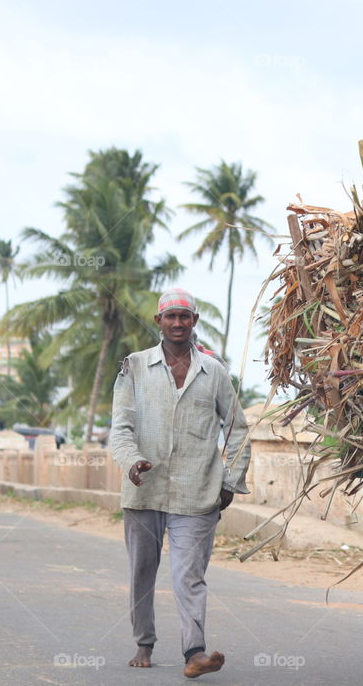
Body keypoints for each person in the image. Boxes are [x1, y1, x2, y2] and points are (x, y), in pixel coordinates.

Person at [110, 287, 250, 678]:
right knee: (143, 570)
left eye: (184, 316)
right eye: (170, 317)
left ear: (194, 322)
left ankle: (194, 653)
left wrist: (230, 480)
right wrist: (132, 460)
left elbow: (238, 429)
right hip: (144, 489)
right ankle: (144, 642)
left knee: (188, 574)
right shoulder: (135, 366)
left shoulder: (214, 371)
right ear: (158, 322)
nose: (177, 323)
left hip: (198, 490)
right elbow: (119, 427)